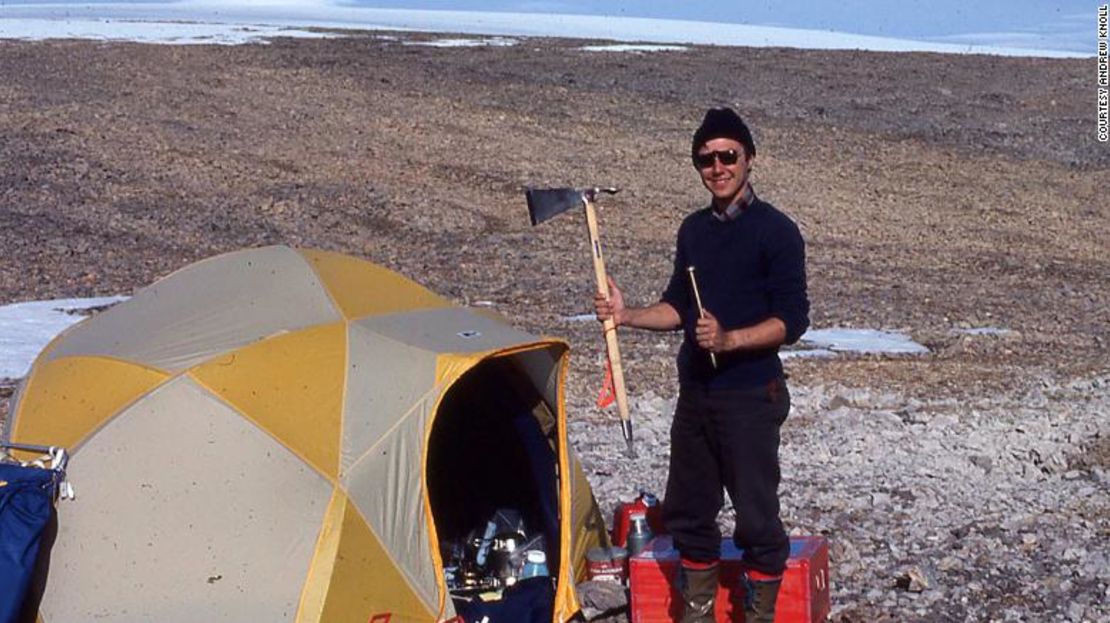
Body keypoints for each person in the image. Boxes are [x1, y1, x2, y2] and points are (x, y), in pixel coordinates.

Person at [594, 107, 809, 622]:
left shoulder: (777, 232)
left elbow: (792, 320)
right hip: (697, 395)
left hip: (752, 394)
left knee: (757, 519)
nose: (717, 167)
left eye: (727, 156)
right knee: (689, 515)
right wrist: (626, 316)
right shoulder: (693, 231)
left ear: (749, 159)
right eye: (706, 159)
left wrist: (731, 338)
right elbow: (678, 307)